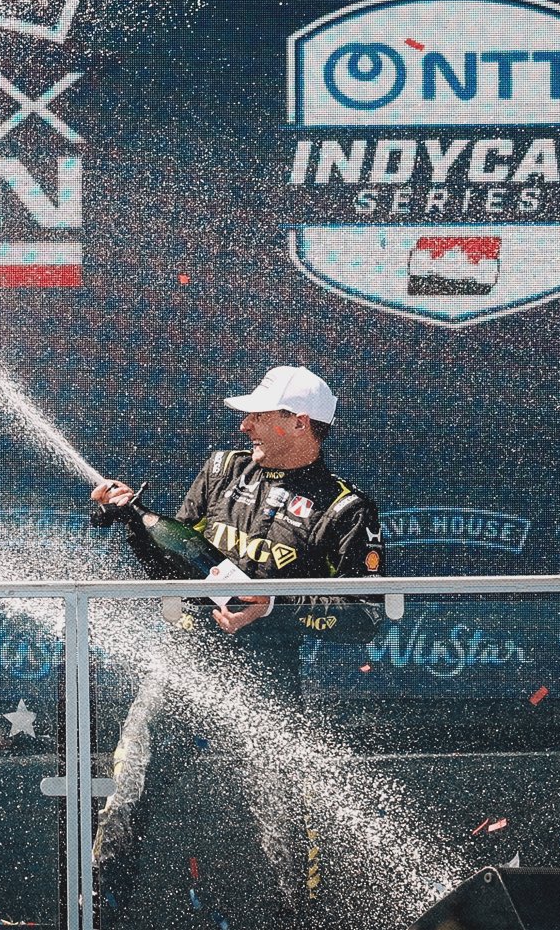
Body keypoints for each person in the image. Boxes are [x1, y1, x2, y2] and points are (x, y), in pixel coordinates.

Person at [86, 364, 385, 928]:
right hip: (184, 663)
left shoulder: (347, 509)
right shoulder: (222, 469)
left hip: (266, 683)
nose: (244, 426)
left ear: (298, 422)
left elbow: (365, 617)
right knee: (127, 792)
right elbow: (172, 567)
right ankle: (99, 916)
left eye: (257, 416)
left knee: (283, 823)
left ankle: (300, 922)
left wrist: (274, 606)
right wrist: (129, 520)